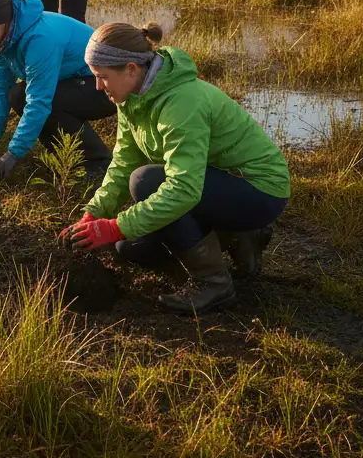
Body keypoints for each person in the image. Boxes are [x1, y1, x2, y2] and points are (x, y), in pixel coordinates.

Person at [60, 22, 291, 315]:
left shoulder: (182, 103)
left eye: (102, 77)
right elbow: (123, 160)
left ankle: (214, 283)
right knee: (130, 250)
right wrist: (94, 214)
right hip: (211, 183)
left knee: (146, 181)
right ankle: (238, 235)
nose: (97, 86)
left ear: (131, 69)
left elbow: (183, 189)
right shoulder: (133, 96)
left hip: (257, 190)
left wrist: (115, 226)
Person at [0, 0, 113, 183]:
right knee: (17, 95)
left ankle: (98, 162)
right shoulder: (3, 40)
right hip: (73, 81)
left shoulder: (40, 39)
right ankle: (66, 158)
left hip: (106, 85)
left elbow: (39, 101)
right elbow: (0, 86)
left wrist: (13, 154)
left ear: (2, 20)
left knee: (47, 103)